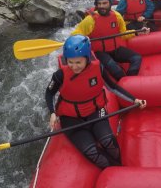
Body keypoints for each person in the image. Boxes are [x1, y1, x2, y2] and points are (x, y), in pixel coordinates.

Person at [45, 35, 147, 169]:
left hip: (95, 111)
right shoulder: (60, 75)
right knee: (92, 152)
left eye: (78, 62)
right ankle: (115, 172)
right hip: (71, 119)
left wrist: (134, 100)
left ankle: (122, 167)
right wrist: (52, 113)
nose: (74, 66)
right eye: (70, 62)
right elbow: (49, 93)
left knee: (109, 142)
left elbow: (113, 87)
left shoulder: (98, 69)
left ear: (87, 58)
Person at [71, 0, 149, 81]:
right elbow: (74, 35)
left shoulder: (117, 16)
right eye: (99, 3)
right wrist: (81, 39)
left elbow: (122, 34)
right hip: (100, 52)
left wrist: (137, 32)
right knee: (119, 73)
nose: (101, 6)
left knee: (137, 58)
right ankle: (125, 82)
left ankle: (129, 82)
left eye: (104, 3)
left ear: (110, 3)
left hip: (115, 49)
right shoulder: (90, 20)